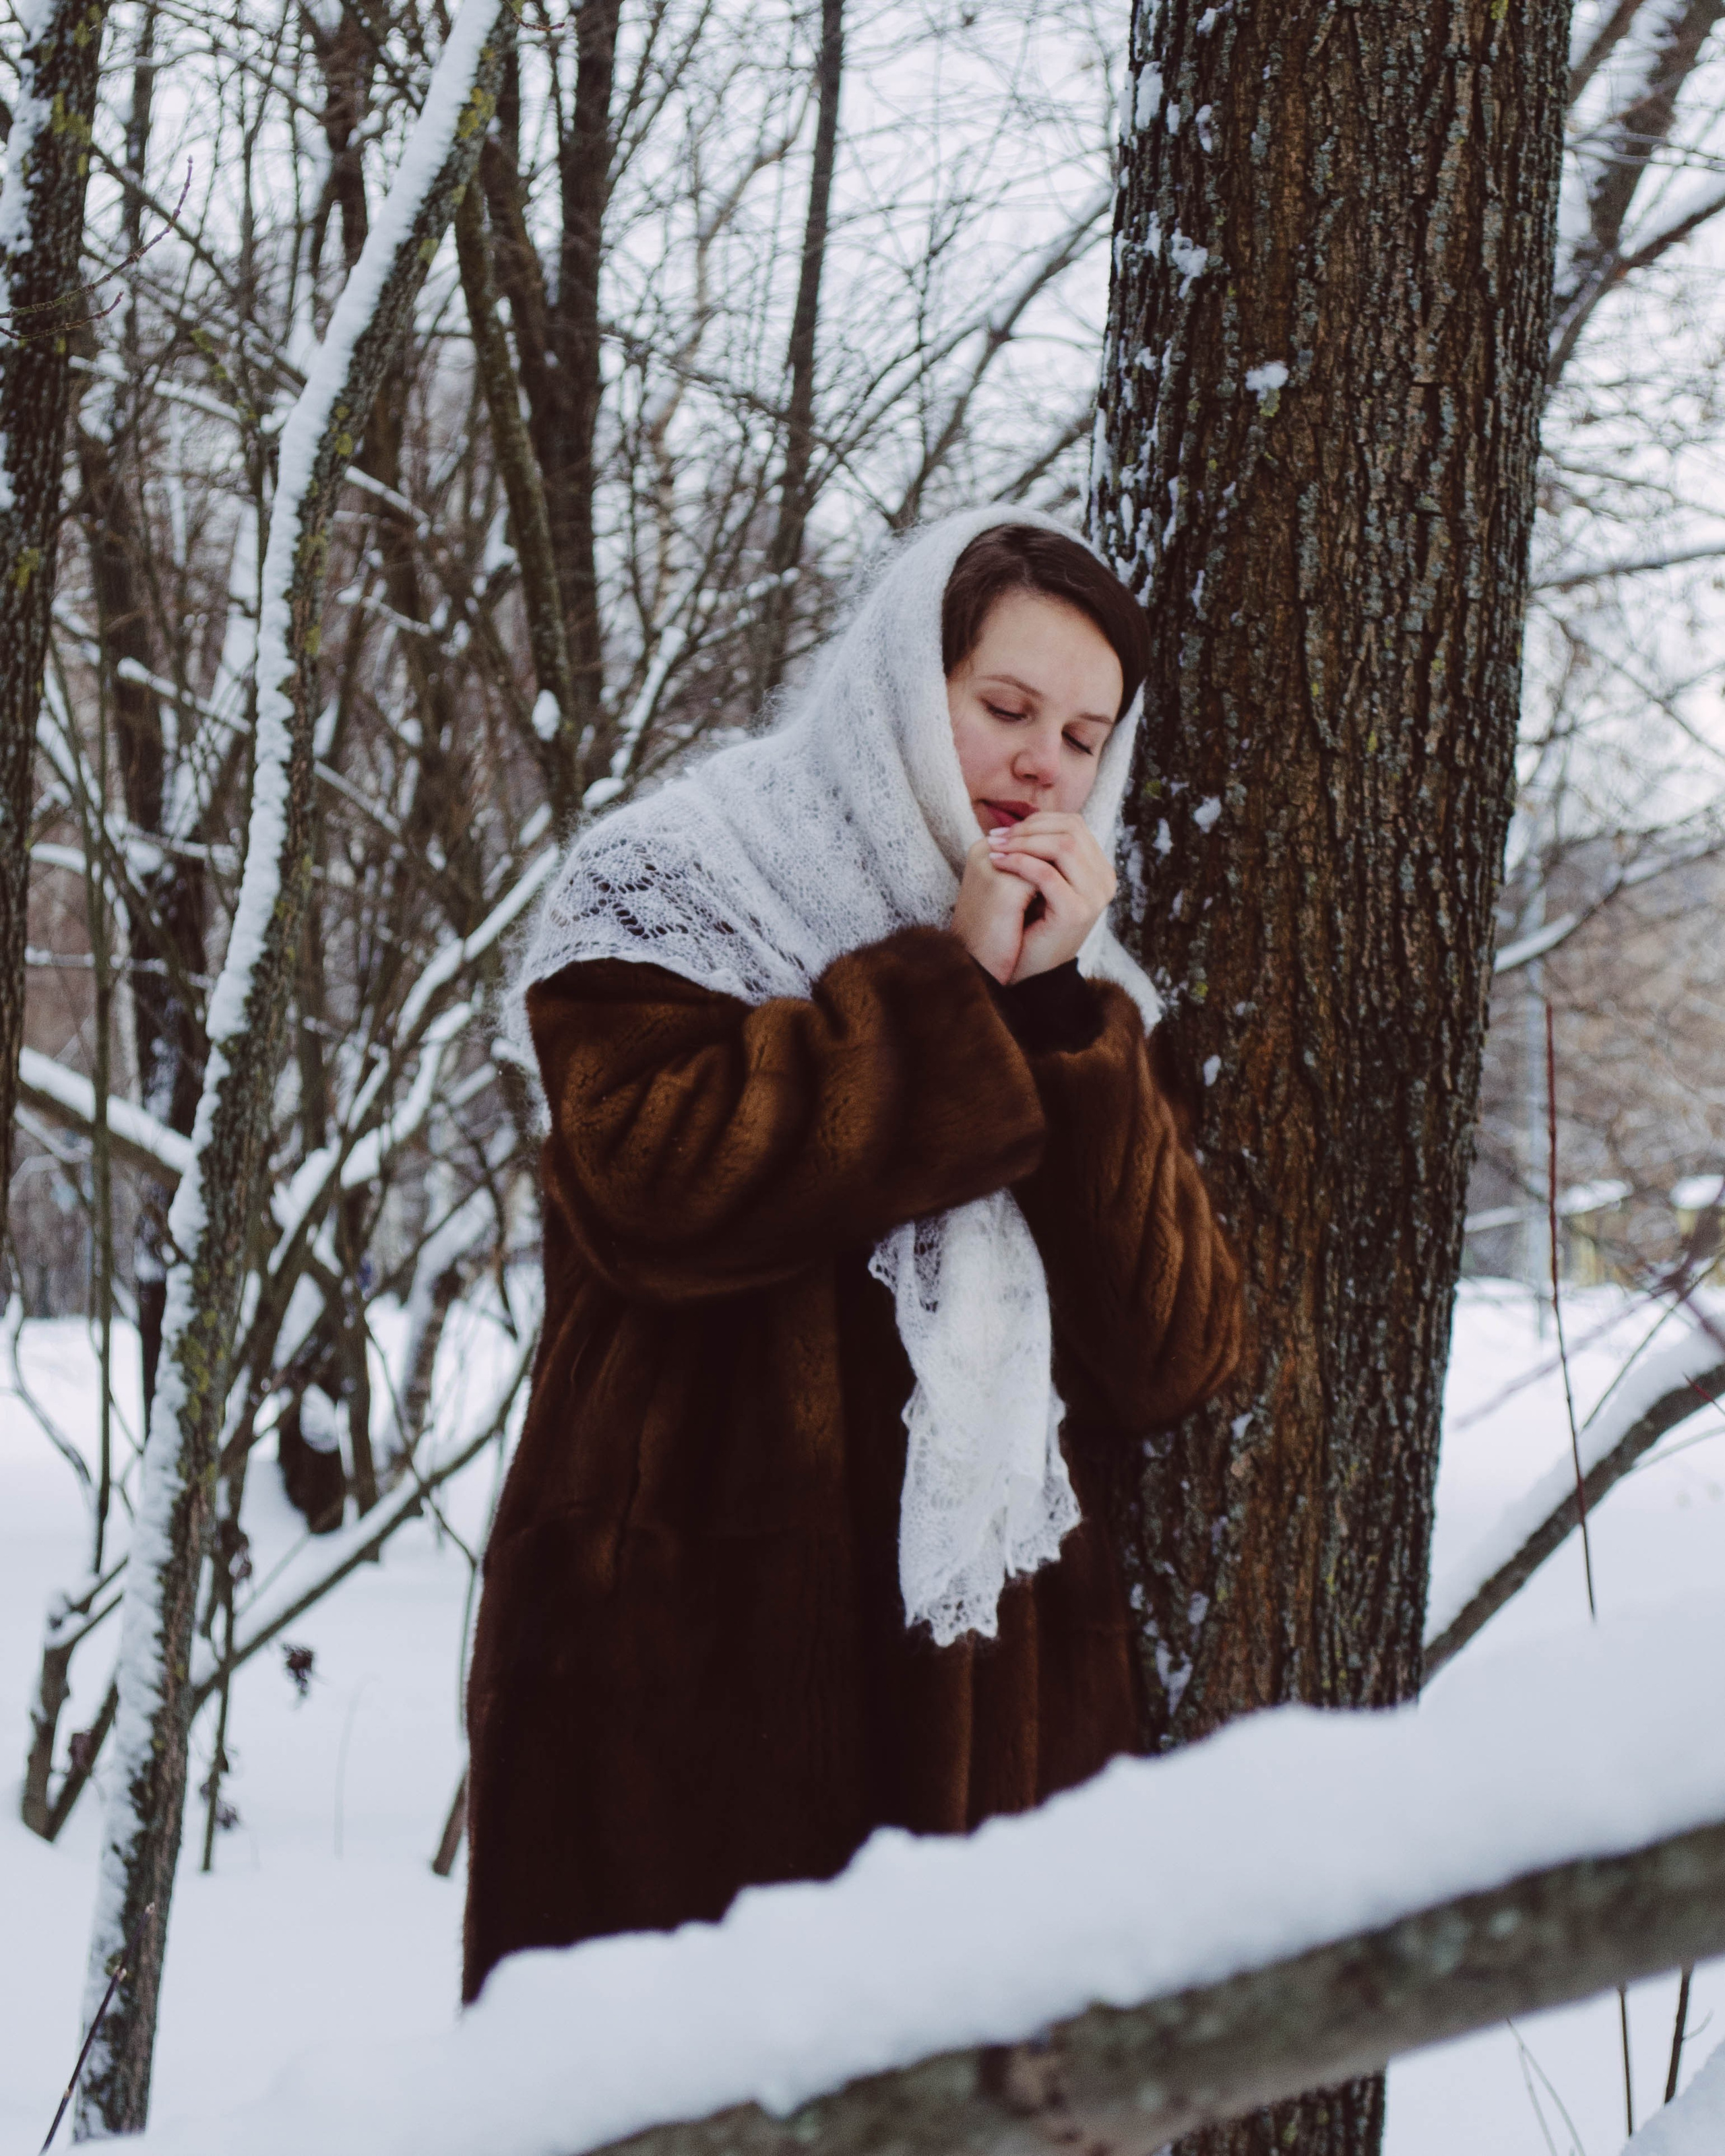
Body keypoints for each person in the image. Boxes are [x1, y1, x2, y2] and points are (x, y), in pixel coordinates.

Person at [462, 506, 1241, 2002]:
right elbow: (652, 1188)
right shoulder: (678, 885)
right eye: (1004, 710)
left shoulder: (1086, 995)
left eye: (1083, 738)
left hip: (1000, 1711)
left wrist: (1059, 1028)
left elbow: (1173, 1348)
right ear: (901, 686)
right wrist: (946, 993)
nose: (1040, 766)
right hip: (686, 1688)